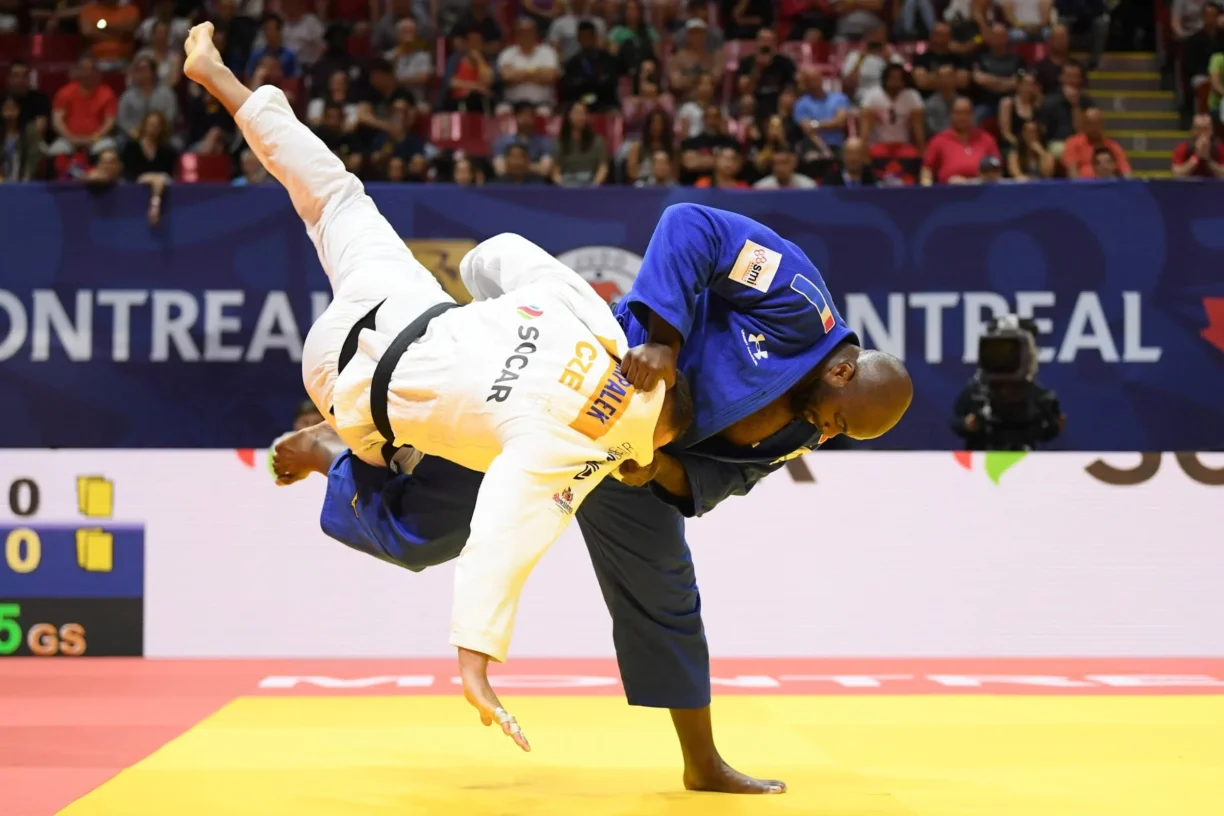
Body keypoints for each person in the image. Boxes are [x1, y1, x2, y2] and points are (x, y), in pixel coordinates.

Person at [183, 22, 694, 753]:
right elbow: (500, 543)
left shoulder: (600, 327)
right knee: (426, 491)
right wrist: (475, 666)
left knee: (330, 195)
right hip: (348, 384)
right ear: (650, 442)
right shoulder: (585, 448)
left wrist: (489, 314)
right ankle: (340, 451)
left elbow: (501, 255)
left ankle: (221, 78)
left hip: (404, 299)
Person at [1172, 113, 1224, 178]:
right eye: (1198, 129)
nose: (1202, 133)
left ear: (1211, 131)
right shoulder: (1183, 148)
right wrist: (1196, 157)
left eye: (1205, 129)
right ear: (1192, 131)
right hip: (1189, 187)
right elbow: (1177, 174)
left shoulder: (1219, 148)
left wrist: (1208, 160)